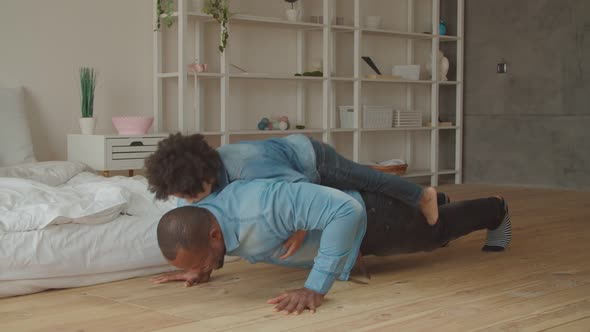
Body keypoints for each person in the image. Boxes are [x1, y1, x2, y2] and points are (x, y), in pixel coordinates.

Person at [152, 180, 512, 315]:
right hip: (348, 236)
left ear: (213, 235)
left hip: (367, 219)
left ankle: (496, 209)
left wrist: (315, 287)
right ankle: (430, 200)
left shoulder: (263, 206)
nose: (204, 265)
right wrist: (201, 266)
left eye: (203, 259)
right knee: (429, 222)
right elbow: (212, 244)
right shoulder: (209, 217)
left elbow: (345, 210)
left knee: (437, 234)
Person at [145, 133, 440, 227]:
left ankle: (422, 195)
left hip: (313, 160)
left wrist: (300, 231)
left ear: (203, 175)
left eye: (187, 195)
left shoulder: (248, 167)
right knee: (357, 193)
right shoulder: (210, 175)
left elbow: (302, 190)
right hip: (287, 159)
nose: (187, 200)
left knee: (369, 181)